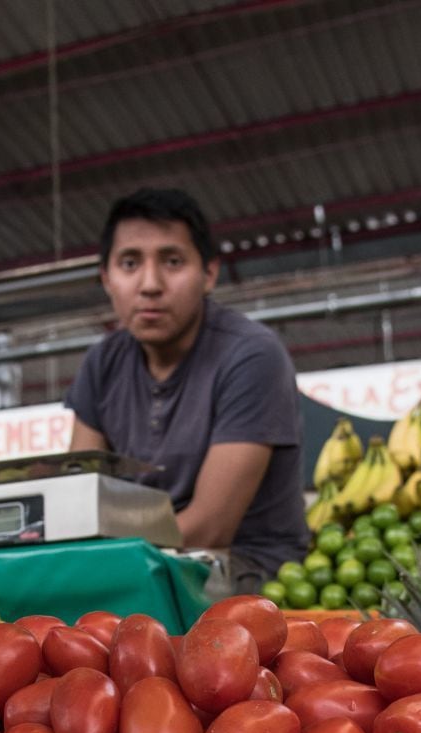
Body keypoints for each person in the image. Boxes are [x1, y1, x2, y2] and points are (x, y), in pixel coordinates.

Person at [64, 188, 308, 595]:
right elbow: (78, 493)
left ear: (208, 273)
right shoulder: (102, 364)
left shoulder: (250, 355)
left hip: (245, 567)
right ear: (107, 278)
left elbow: (211, 528)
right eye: (129, 263)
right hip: (141, 560)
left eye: (172, 261)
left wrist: (100, 563)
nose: (150, 284)